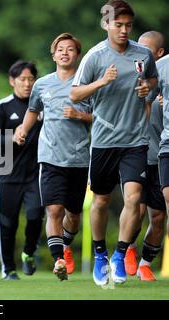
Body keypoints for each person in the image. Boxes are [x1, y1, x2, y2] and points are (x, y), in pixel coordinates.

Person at [69, 0, 158, 285]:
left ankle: (119, 255)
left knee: (133, 199)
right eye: (117, 25)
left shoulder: (143, 53)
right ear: (106, 24)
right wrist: (101, 83)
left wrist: (148, 87)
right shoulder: (95, 57)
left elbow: (152, 79)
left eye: (128, 25)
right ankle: (99, 255)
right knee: (102, 200)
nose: (123, 30)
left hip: (135, 140)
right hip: (104, 141)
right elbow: (74, 95)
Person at [14, 33, 92, 281]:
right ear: (54, 55)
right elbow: (32, 110)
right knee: (54, 210)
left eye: (70, 49)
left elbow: (101, 118)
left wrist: (80, 116)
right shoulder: (42, 84)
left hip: (79, 158)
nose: (65, 53)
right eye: (60, 49)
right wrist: (23, 131)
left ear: (77, 55)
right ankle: (59, 259)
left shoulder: (87, 85)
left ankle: (66, 246)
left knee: (74, 215)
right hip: (50, 157)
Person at [0, 60, 45, 280]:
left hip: (35, 174)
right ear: (12, 81)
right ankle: (8, 269)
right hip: (8, 174)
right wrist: (12, 138)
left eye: (31, 79)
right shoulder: (3, 106)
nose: (27, 83)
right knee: (7, 224)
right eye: (22, 79)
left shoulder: (40, 107)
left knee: (35, 216)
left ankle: (28, 252)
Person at [124, 31, 166, 281]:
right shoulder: (134, 78)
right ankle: (127, 249)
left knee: (158, 216)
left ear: (159, 54)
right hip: (138, 154)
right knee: (136, 210)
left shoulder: (163, 78)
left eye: (146, 50)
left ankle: (145, 264)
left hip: (161, 157)